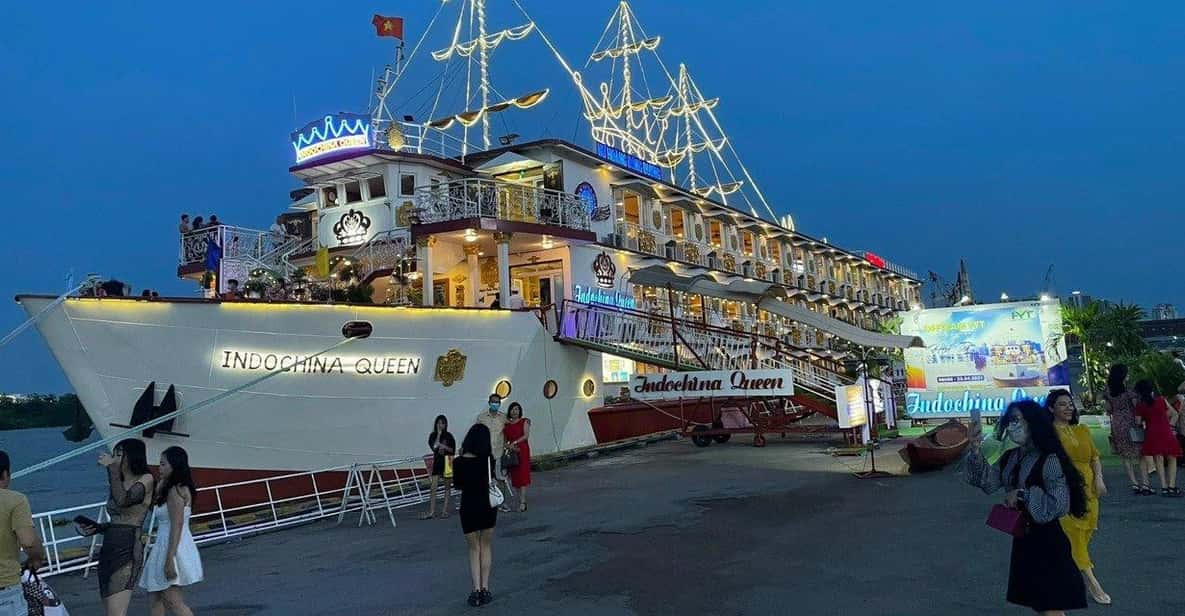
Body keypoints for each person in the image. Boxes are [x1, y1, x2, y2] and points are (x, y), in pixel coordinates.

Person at [965, 399, 1088, 615]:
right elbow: (988, 482)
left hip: (1048, 540)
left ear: (1032, 422)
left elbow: (1058, 504)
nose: (1012, 425)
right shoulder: (1012, 457)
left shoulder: (1049, 459)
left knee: (1051, 605)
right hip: (1024, 538)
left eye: (1016, 420)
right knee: (1038, 603)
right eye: (1009, 420)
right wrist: (975, 449)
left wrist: (1022, 495)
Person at [77, 439, 155, 616]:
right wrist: (98, 527)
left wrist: (111, 469)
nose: (115, 458)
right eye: (115, 454)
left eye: (120, 454)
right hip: (109, 547)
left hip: (127, 548)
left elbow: (124, 500)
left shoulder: (146, 479)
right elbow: (119, 518)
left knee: (116, 613)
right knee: (109, 609)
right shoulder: (117, 481)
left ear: (132, 457)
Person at [1046, 390, 1110, 605]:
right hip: (1065, 490)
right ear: (1051, 408)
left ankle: (1060, 574)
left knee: (1087, 532)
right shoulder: (1049, 434)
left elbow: (1095, 457)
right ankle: (1092, 582)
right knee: (1074, 535)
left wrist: (1099, 479)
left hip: (1090, 489)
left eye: (1070, 404)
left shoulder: (1082, 429)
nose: (1068, 408)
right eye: (1062, 404)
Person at [140, 446, 202, 616]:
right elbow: (159, 513)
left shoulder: (175, 491)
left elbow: (177, 524)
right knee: (155, 597)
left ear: (175, 465)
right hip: (166, 543)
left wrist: (170, 559)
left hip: (171, 546)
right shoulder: (169, 487)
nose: (159, 468)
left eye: (163, 464)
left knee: (172, 600)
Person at [453, 424, 498, 607]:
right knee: (485, 546)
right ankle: (486, 588)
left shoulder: (457, 462)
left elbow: (457, 485)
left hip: (468, 506)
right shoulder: (488, 460)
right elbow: (492, 479)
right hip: (487, 505)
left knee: (473, 549)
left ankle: (476, 590)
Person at [1, 451, 46, 616]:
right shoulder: (15, 500)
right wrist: (36, 557)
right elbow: (28, 541)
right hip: (5, 588)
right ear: (6, 474)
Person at [1132, 380, 1182, 496]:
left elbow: (1138, 421)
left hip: (1151, 433)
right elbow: (1172, 412)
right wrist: (1170, 424)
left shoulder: (1140, 405)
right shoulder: (1161, 400)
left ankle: (1164, 486)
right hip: (1166, 431)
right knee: (1172, 457)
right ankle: (1172, 486)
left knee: (1158, 458)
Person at [1103, 364, 1145, 493]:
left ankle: (1134, 483)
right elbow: (1136, 405)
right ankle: (1145, 483)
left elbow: (1108, 408)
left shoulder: (1108, 390)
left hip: (1117, 423)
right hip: (1131, 422)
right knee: (1140, 454)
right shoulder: (1129, 390)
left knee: (1125, 456)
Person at [475, 394, 511, 513]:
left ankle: (502, 502)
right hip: (485, 454)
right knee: (484, 479)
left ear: (500, 403)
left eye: (497, 402)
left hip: (499, 452)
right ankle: (486, 503)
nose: (495, 404)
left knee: (501, 478)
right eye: (493, 402)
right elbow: (476, 433)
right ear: (489, 402)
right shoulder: (481, 418)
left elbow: (511, 429)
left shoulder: (503, 417)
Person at [420, 415, 456, 520]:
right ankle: (431, 511)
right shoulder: (433, 435)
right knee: (433, 487)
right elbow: (434, 447)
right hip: (438, 461)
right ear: (436, 424)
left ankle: (444, 511)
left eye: (443, 423)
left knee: (447, 487)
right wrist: (439, 435)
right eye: (439, 423)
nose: (441, 425)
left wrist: (444, 446)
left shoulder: (449, 436)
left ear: (446, 424)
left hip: (448, 461)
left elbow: (452, 450)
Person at [503, 403, 532, 512]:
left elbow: (526, 436)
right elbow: (505, 440)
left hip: (522, 450)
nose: (515, 411)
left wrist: (514, 443)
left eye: (517, 409)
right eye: (513, 409)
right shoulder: (507, 425)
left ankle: (522, 502)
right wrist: (508, 446)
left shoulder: (524, 421)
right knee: (515, 478)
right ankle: (520, 499)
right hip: (512, 452)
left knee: (522, 476)